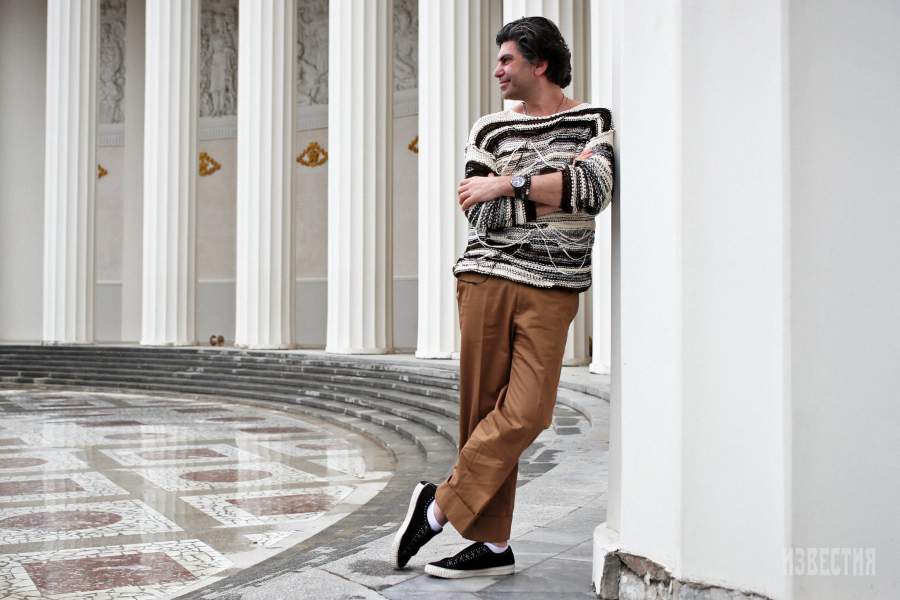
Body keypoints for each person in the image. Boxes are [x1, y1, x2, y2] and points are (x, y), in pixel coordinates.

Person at [392, 16, 615, 579]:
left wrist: (510, 181)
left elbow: (594, 191)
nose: (497, 70)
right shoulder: (490, 129)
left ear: (540, 64)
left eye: (507, 59)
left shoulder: (593, 121)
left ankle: (437, 508)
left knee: (529, 412)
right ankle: (492, 546)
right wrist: (554, 188)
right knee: (482, 413)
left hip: (553, 288)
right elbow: (480, 211)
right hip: (486, 279)